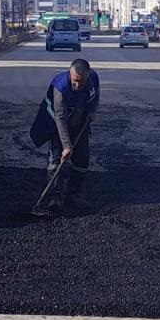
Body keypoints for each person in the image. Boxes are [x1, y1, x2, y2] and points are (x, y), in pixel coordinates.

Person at [28, 57, 100, 216]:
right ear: (70, 73)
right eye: (75, 81)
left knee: (82, 160)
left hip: (80, 122)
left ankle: (73, 194)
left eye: (81, 82)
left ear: (87, 75)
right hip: (55, 124)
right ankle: (54, 198)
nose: (78, 85)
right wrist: (67, 146)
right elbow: (60, 118)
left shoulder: (93, 78)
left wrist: (92, 111)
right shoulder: (60, 88)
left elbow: (95, 95)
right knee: (56, 160)